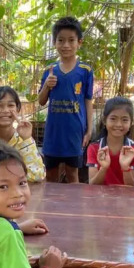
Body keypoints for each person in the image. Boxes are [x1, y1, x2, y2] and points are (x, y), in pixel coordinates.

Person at [38, 17, 94, 183]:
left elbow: (88, 101)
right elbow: (41, 101)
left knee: (72, 175)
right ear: (54, 42)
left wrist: (89, 130)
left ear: (79, 43)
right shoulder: (50, 70)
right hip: (53, 133)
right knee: (50, 176)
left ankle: (73, 202)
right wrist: (47, 86)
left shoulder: (85, 71)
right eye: (61, 40)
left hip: (74, 132)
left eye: (71, 40)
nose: (66, 45)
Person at [87, 96, 134, 186]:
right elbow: (92, 184)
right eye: (113, 119)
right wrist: (103, 168)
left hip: (126, 195)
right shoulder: (94, 148)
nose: (118, 124)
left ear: (131, 123)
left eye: (124, 120)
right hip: (100, 194)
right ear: (104, 120)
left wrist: (125, 167)